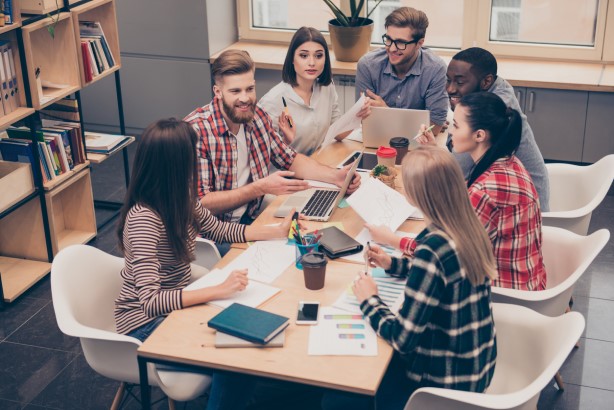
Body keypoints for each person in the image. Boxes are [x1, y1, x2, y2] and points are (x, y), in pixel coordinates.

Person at [322, 145, 497, 410]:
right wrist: (392, 263)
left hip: (439, 387)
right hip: (475, 367)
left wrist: (369, 299)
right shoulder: (466, 226)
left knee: (336, 399)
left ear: (416, 197)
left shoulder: (432, 250)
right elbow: (440, 277)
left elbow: (402, 338)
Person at [114, 118, 294, 341]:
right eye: (192, 155)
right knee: (229, 342)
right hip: (144, 323)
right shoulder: (144, 219)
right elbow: (151, 302)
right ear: (176, 165)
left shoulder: (180, 198)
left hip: (174, 308)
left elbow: (219, 230)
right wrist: (220, 289)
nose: (196, 163)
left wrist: (277, 230)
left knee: (240, 332)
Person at [370, 92, 546, 291]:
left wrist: (391, 239)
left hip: (503, 294)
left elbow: (445, 255)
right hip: (524, 280)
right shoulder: (507, 163)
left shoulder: (486, 190)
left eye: (456, 126)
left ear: (479, 135)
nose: (451, 132)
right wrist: (434, 150)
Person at [185, 49, 360, 226]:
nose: (245, 98)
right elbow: (200, 204)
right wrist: (259, 188)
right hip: (213, 232)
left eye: (250, 89)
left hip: (250, 218)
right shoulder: (197, 132)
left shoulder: (257, 116)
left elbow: (290, 159)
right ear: (218, 91)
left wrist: (335, 176)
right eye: (235, 91)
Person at [444, 47, 550, 211]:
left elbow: (456, 173)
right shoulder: (490, 89)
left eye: (459, 82)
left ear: (486, 81)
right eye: (448, 80)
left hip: (520, 206)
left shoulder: (492, 109)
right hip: (508, 196)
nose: (450, 89)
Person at [260, 26, 370, 156]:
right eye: (304, 55)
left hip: (314, 164)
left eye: (318, 56)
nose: (312, 62)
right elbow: (265, 154)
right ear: (292, 60)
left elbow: (337, 133)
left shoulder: (327, 88)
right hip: (286, 173)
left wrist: (358, 116)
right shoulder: (272, 101)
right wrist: (286, 140)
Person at [355, 6, 448, 135]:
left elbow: (435, 127)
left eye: (400, 42)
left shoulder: (435, 69)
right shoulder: (367, 65)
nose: (392, 48)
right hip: (378, 139)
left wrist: (387, 113)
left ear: (419, 43)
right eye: (388, 39)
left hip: (418, 147)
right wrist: (412, 122)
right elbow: (364, 119)